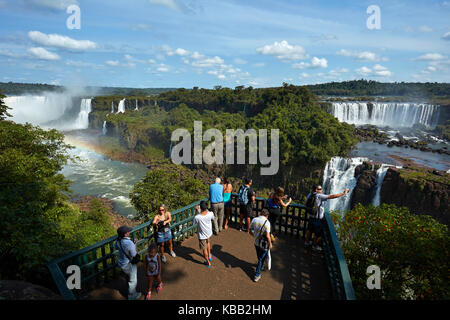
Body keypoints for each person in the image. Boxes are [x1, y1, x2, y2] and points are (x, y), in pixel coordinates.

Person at [305, 185, 350, 252]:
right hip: (318, 218)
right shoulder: (319, 196)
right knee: (317, 233)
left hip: (311, 216)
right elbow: (332, 196)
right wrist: (343, 193)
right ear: (316, 190)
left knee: (309, 230)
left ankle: (307, 242)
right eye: (320, 189)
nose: (321, 190)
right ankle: (314, 246)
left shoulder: (310, 194)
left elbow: (305, 203)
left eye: (321, 189)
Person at [114, 225, 141, 300]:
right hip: (129, 264)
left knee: (127, 276)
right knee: (133, 280)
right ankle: (132, 295)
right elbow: (134, 254)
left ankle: (129, 289)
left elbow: (116, 247)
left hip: (121, 263)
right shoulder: (129, 243)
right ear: (125, 234)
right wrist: (134, 244)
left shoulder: (118, 240)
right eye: (128, 231)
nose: (129, 232)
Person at [249, 209, 272, 282]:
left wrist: (255, 236)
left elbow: (249, 230)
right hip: (264, 244)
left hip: (256, 242)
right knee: (261, 259)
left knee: (260, 257)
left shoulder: (254, 220)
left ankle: (260, 266)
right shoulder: (267, 223)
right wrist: (270, 244)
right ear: (267, 216)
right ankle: (257, 275)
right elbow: (268, 236)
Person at [193, 200, 215, 268]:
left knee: (204, 249)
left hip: (202, 235)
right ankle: (209, 255)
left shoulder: (198, 217)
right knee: (208, 242)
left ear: (200, 208)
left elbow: (194, 223)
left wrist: (196, 211)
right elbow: (212, 218)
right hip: (209, 232)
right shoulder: (211, 213)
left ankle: (208, 262)